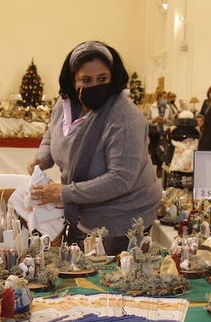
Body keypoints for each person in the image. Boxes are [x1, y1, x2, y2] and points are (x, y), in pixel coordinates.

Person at [27, 41, 162, 255]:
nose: (95, 86)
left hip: (121, 219)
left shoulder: (124, 117)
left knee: (108, 278)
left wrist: (65, 192)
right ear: (73, 81)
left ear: (113, 78)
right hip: (84, 211)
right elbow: (52, 135)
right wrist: (42, 158)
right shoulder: (65, 105)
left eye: (102, 79)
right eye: (86, 80)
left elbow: (120, 179)